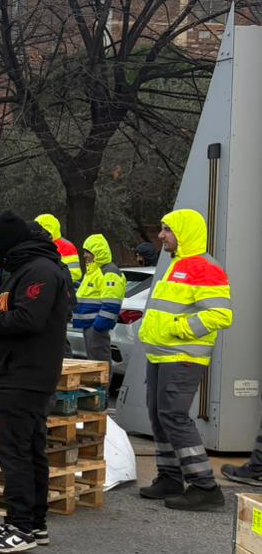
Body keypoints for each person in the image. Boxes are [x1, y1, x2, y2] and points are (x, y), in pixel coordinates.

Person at [0, 213, 73, 554]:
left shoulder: (39, 271)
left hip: (26, 373)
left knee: (15, 452)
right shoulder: (27, 267)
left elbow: (28, 319)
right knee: (29, 448)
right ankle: (34, 523)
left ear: (7, 244)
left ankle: (20, 526)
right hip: (21, 371)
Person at [138, 209, 233, 511]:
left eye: (167, 229)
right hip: (162, 354)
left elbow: (220, 315)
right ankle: (169, 477)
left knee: (175, 417)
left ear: (185, 232)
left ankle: (205, 486)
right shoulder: (178, 265)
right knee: (159, 415)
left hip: (183, 357)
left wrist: (176, 329)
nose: (161, 235)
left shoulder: (204, 267)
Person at [72, 235, 124, 365]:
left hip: (95, 326)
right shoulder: (94, 272)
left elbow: (112, 303)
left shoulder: (108, 272)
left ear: (97, 253)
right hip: (90, 325)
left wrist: (99, 326)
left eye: (88, 252)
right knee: (95, 362)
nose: (84, 255)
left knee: (100, 363)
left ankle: (101, 386)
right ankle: (97, 385)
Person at [35, 213, 83, 285]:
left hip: (59, 288)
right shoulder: (35, 244)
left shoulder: (66, 246)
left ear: (48, 230)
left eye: (39, 229)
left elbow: (74, 273)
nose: (36, 232)